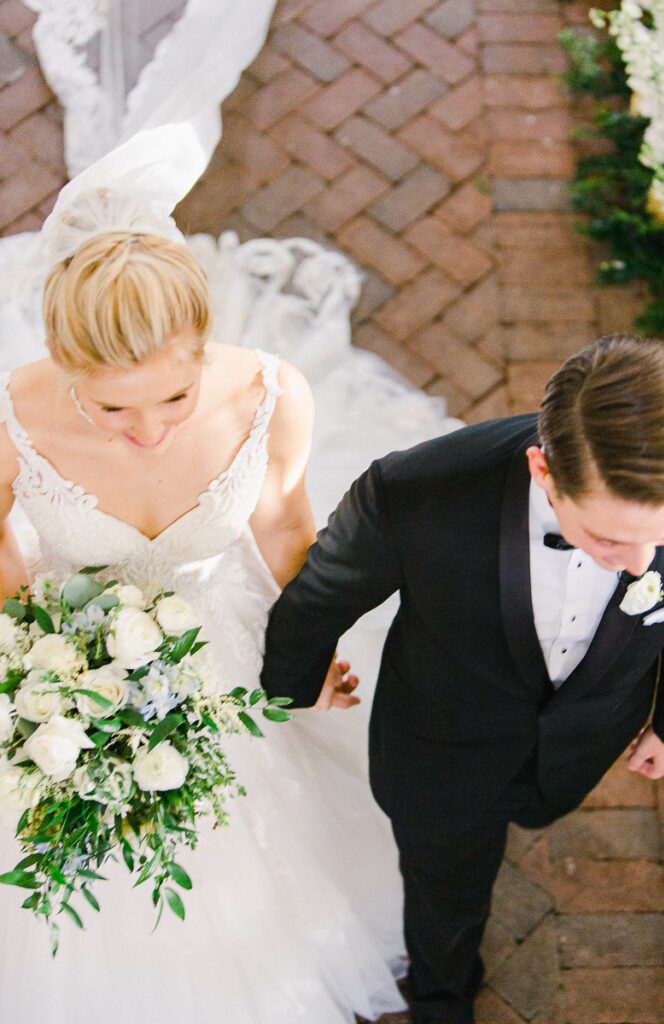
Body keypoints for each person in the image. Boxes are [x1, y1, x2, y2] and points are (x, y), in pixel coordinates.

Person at [0, 225, 410, 1023]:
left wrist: (306, 651)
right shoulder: (13, 414)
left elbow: (286, 528)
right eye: (112, 405)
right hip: (66, 656)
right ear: (62, 357)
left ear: (202, 346)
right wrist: (33, 661)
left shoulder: (271, 395)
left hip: (227, 633)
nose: (149, 431)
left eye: (175, 399)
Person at [261, 333, 664, 1024]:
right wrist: (294, 685)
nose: (641, 564)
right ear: (543, 472)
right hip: (441, 750)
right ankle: (441, 996)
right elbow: (318, 598)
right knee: (443, 893)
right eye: (607, 538)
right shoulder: (415, 494)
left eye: (661, 536)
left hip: (584, 738)